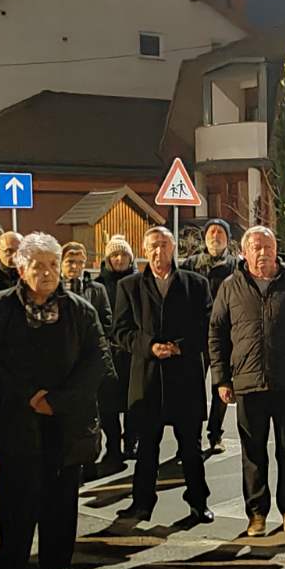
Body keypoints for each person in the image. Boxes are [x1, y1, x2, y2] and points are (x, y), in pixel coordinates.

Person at [0, 233, 109, 569]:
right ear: (21, 270)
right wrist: (28, 396)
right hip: (16, 419)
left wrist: (58, 401)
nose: (48, 272)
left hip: (64, 422)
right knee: (15, 499)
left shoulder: (80, 310)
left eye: (53, 264)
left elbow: (97, 361)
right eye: (38, 266)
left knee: (61, 497)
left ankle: (55, 562)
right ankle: (10, 564)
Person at [209, 226, 285, 535]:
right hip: (247, 383)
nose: (263, 253)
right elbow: (217, 335)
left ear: (276, 251)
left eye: (268, 247)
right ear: (244, 253)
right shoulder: (230, 287)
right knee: (253, 452)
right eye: (256, 248)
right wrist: (221, 378)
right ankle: (257, 513)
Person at [114, 226, 214, 522]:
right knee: (147, 447)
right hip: (147, 378)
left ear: (174, 249)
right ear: (145, 251)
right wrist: (149, 346)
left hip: (185, 378)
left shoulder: (196, 284)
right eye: (153, 246)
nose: (159, 251)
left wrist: (181, 347)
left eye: (164, 245)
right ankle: (142, 503)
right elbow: (120, 331)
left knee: (191, 448)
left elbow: (208, 326)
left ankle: (198, 502)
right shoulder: (129, 287)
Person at [184, 218, 239, 453]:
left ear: (227, 238)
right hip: (196, 336)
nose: (215, 237)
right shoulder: (191, 264)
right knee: (192, 388)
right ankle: (191, 437)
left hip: (225, 335)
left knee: (222, 385)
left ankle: (215, 434)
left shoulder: (236, 266)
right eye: (211, 233)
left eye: (220, 233)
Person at [95, 235, 138, 470]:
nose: (119, 259)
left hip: (132, 351)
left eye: (123, 255)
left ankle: (131, 442)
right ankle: (113, 446)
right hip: (108, 352)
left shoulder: (140, 282)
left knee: (134, 401)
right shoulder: (99, 285)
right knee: (108, 404)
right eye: (114, 255)